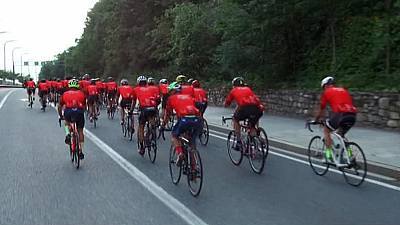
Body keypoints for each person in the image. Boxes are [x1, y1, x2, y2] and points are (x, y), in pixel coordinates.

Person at [315, 76, 357, 162]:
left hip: (341, 114)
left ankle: (328, 155)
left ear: (325, 86)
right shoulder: (343, 90)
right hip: (352, 115)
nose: (323, 90)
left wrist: (316, 120)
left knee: (326, 130)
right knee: (341, 134)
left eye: (323, 88)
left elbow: (321, 109)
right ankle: (350, 155)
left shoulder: (327, 92)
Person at [162, 82, 202, 166]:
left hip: (184, 119)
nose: (169, 93)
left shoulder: (171, 99)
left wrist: (163, 125)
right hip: (196, 120)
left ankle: (180, 153)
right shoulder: (189, 96)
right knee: (192, 143)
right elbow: (198, 105)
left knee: (174, 136)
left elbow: (167, 114)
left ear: (173, 91)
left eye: (170, 91)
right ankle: (194, 170)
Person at [224, 77, 264, 148]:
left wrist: (225, 105)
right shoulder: (248, 89)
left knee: (235, 119)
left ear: (234, 85)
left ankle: (238, 142)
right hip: (258, 109)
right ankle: (256, 138)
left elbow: (228, 102)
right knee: (252, 123)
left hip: (245, 109)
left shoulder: (234, 90)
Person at [58, 79, 86, 160]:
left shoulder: (65, 94)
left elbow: (60, 106)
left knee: (67, 122)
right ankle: (81, 150)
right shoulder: (82, 93)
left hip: (69, 111)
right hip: (79, 111)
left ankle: (67, 133)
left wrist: (60, 116)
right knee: (80, 130)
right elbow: (84, 106)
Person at [134, 75, 159, 155]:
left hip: (144, 109)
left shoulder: (136, 89)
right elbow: (157, 99)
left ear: (138, 83)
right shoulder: (152, 88)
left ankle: (141, 147)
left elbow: (134, 102)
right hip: (153, 108)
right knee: (151, 121)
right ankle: (151, 132)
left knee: (141, 127)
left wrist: (131, 111)